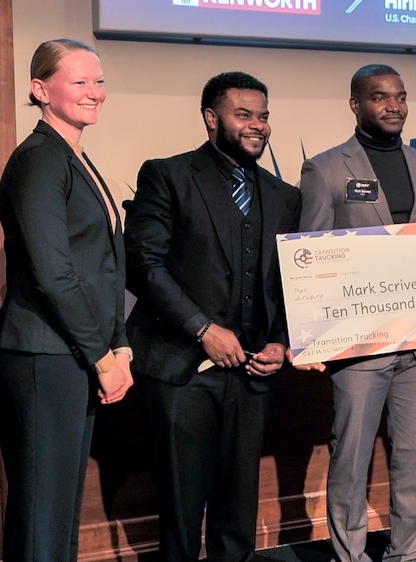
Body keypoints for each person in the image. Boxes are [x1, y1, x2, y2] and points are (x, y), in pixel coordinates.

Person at [123, 71, 302, 561]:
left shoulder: (285, 196)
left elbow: (293, 281)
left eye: (263, 116)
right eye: (243, 114)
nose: (258, 125)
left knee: (237, 511)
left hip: (252, 377)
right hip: (181, 372)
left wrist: (281, 343)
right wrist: (203, 329)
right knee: (181, 514)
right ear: (211, 118)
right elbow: (144, 266)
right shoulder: (167, 175)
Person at [0, 38, 134, 561]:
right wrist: (102, 356)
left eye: (98, 81)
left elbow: (105, 268)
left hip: (73, 353)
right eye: (79, 81)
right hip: (43, 356)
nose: (95, 92)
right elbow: (54, 274)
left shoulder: (73, 156)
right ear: (40, 90)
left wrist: (120, 347)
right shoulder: (38, 161)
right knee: (41, 513)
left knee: (60, 509)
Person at [298, 64, 416, 562]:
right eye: (380, 97)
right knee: (351, 460)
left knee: (415, 461)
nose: (394, 106)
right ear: (355, 104)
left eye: (401, 97)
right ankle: (351, 556)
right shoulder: (325, 169)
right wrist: (313, 337)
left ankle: (407, 554)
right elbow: (310, 259)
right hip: (359, 345)